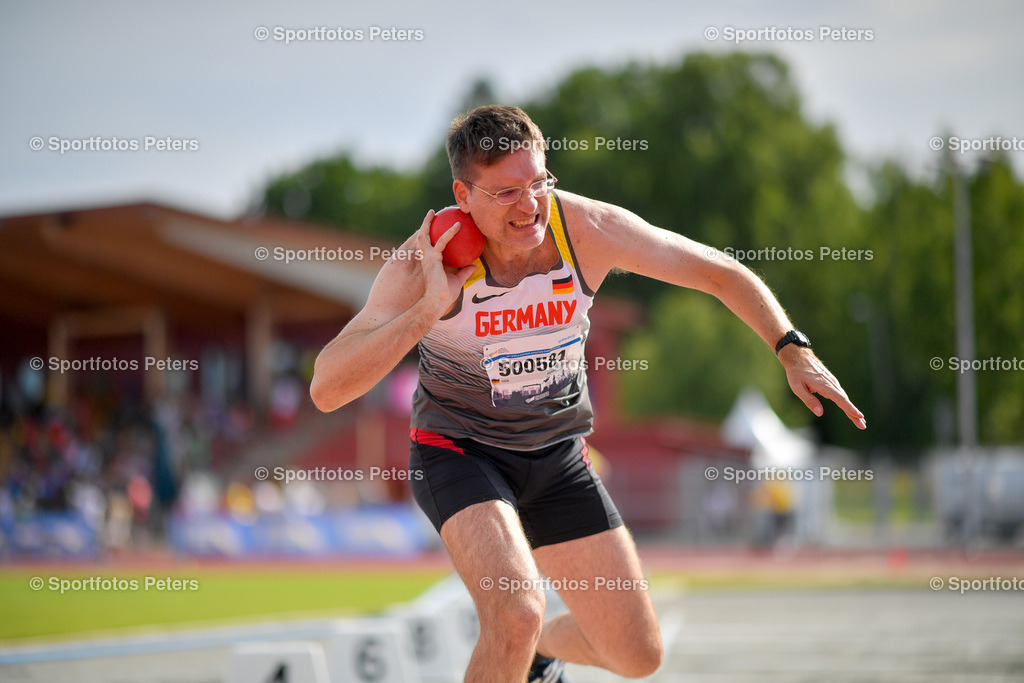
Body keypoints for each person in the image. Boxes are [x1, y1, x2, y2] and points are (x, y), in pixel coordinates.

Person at [310, 105, 866, 681]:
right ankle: (523, 641)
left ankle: (539, 655)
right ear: (463, 192)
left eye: (539, 183)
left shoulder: (586, 230)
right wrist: (425, 311)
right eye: (505, 193)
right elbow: (327, 387)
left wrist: (791, 348)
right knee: (517, 611)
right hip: (460, 453)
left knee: (636, 655)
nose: (529, 207)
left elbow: (718, 272)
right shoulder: (424, 259)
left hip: (556, 458)